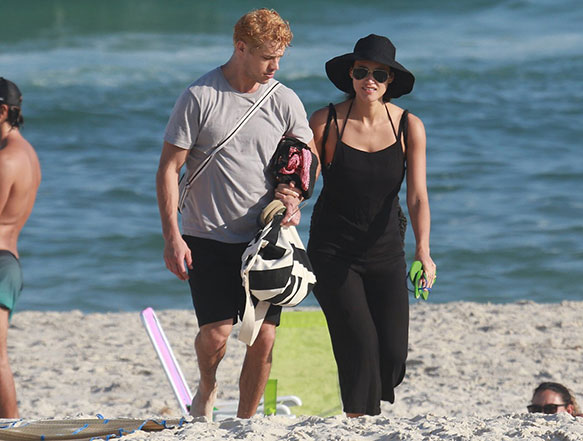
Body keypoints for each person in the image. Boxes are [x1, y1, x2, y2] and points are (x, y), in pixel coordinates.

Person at [155, 9, 313, 419]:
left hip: (263, 240)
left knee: (262, 338)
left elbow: (304, 161)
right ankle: (207, 387)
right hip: (205, 234)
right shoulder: (200, 97)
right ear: (240, 48)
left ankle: (245, 421)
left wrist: (292, 195)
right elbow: (169, 169)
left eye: (280, 58)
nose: (275, 67)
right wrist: (172, 236)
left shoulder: (284, 100)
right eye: (267, 57)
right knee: (216, 334)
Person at [306, 34, 435, 416]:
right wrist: (288, 198)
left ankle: (365, 405)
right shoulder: (325, 122)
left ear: (390, 80)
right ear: (351, 74)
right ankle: (360, 422)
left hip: (385, 250)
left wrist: (423, 252)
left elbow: (417, 197)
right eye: (362, 71)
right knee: (358, 344)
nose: (370, 80)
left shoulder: (409, 126)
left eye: (379, 73)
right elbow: (303, 179)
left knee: (393, 355)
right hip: (333, 251)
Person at [0, 77, 41, 418]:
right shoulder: (28, 154)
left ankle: (10, 428)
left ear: (2, 111)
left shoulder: (5, 160)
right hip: (10, 259)